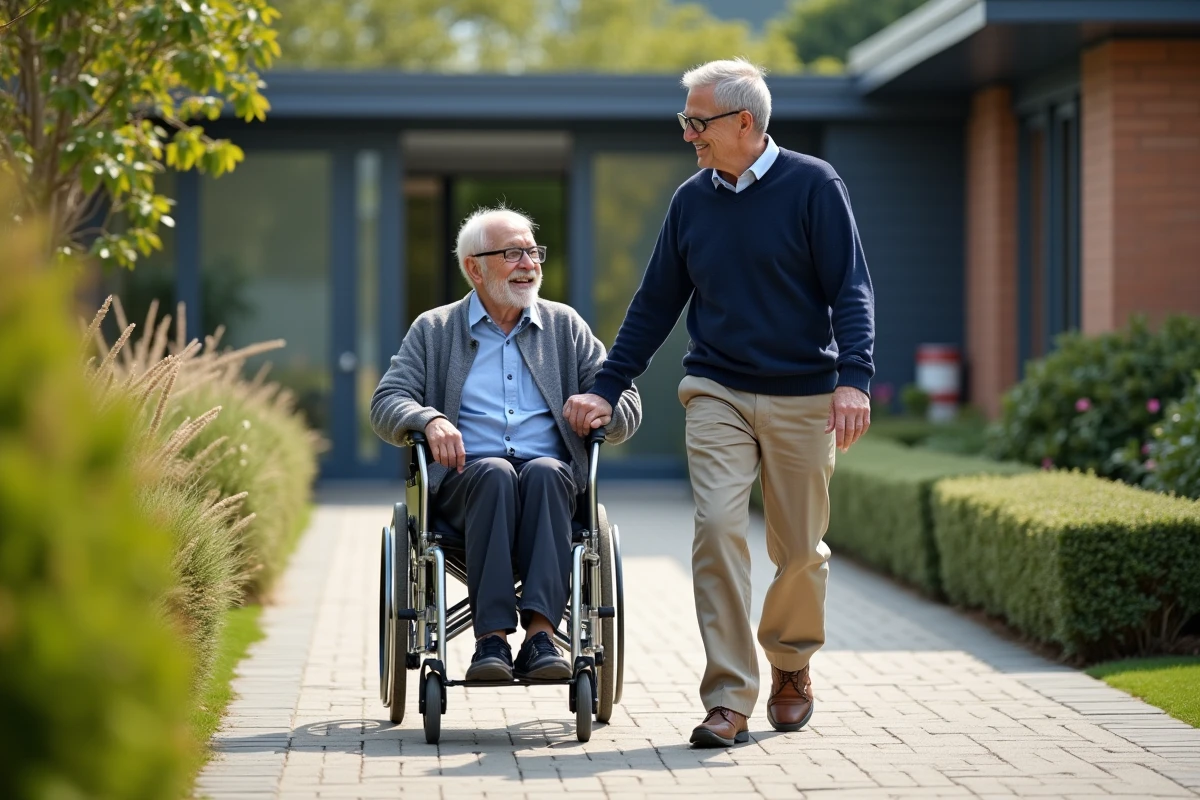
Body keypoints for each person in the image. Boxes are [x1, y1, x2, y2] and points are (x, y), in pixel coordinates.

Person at [564, 58, 875, 747]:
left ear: (744, 122)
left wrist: (855, 376)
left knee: (799, 549)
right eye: (686, 121)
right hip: (717, 390)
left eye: (696, 122)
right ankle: (729, 697)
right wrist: (607, 386)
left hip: (805, 393)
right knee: (716, 529)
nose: (687, 135)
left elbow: (850, 287)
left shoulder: (814, 186)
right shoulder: (691, 201)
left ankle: (791, 664)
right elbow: (655, 303)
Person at [372, 206, 641, 682]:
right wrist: (428, 419)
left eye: (533, 252)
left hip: (551, 488)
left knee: (544, 470)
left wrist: (603, 407)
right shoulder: (434, 330)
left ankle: (541, 638)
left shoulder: (565, 326)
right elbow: (386, 401)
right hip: (465, 487)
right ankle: (490, 640)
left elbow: (626, 400)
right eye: (513, 253)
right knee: (495, 471)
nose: (529, 264)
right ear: (474, 267)